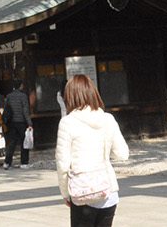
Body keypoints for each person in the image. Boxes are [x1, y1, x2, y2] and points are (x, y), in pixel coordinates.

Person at [53, 74, 129, 227]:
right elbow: (122, 154)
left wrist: (65, 193)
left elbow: (63, 164)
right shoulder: (108, 119)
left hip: (83, 192)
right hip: (108, 190)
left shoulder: (67, 122)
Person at [4, 81, 33, 167]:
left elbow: (6, 109)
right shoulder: (23, 96)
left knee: (11, 143)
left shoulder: (9, 96)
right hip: (21, 122)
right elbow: (25, 110)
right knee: (24, 142)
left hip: (12, 122)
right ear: (20, 86)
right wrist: (29, 123)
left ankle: (7, 162)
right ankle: (24, 162)